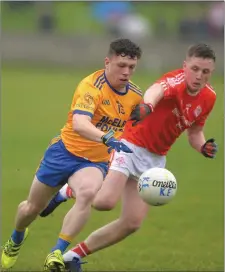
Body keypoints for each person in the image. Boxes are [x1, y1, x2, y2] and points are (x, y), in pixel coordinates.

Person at [45, 43, 218, 272]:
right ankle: (67, 190)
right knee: (104, 203)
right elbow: (155, 91)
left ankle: (71, 257)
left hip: (155, 160)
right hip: (130, 145)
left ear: (211, 73)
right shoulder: (175, 81)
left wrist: (203, 146)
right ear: (185, 66)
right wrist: (147, 106)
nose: (198, 76)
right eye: (195, 69)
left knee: (132, 223)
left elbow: (194, 133)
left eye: (205, 72)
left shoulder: (209, 97)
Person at [1, 38, 143, 270]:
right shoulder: (91, 86)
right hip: (64, 152)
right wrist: (107, 137)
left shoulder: (136, 95)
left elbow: (145, 120)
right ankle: (16, 239)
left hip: (94, 162)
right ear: (107, 62)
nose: (126, 72)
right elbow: (79, 123)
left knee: (87, 193)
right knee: (31, 209)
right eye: (121, 65)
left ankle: (57, 252)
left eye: (132, 67)